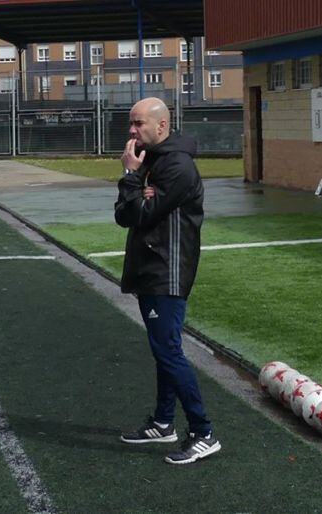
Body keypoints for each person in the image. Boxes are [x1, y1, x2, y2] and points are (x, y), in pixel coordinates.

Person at [114, 97, 221, 465]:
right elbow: (125, 213)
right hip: (151, 268)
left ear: (161, 126)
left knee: (169, 352)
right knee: (163, 351)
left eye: (139, 123)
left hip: (168, 270)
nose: (132, 130)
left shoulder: (176, 165)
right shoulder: (153, 160)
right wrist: (135, 187)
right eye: (131, 123)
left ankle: (203, 432)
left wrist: (130, 177)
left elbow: (138, 214)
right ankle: (163, 422)